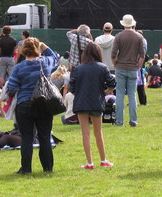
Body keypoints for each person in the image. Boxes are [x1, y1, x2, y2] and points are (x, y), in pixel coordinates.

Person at [6, 38, 59, 174]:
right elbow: (53, 56)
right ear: (37, 49)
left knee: (27, 138)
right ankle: (48, 168)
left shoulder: (19, 67)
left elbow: (11, 87)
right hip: (43, 103)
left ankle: (26, 169)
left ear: (24, 50)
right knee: (45, 137)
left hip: (24, 104)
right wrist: (43, 45)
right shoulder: (46, 62)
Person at [68, 42, 116, 169]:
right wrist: (107, 92)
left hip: (81, 103)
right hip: (96, 102)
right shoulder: (102, 67)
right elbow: (112, 82)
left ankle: (89, 163)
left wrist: (79, 93)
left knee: (85, 133)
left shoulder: (78, 68)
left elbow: (71, 87)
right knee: (98, 132)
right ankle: (103, 160)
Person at [111, 14, 145, 127]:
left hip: (120, 67)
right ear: (133, 24)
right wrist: (138, 66)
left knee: (119, 95)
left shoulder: (118, 36)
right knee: (132, 95)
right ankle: (133, 121)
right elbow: (142, 55)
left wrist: (116, 64)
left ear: (123, 24)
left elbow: (113, 54)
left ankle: (119, 121)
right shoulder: (139, 37)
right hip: (133, 68)